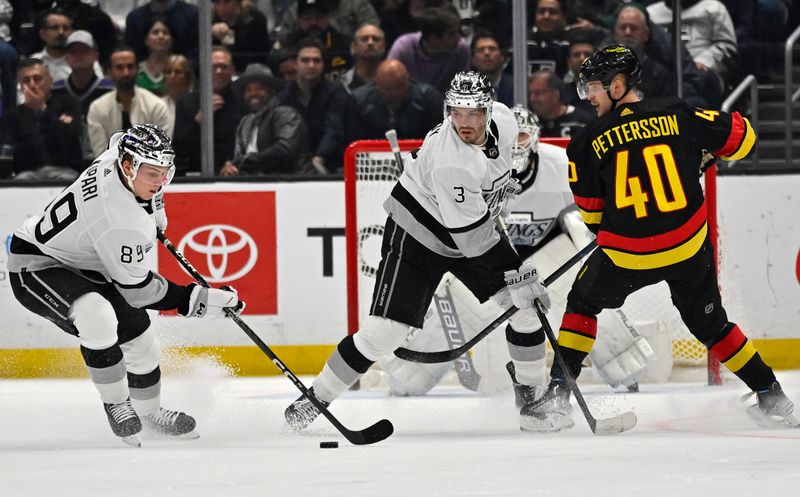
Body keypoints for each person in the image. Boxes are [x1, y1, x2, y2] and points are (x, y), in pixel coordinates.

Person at [526, 45, 798, 429]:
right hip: (688, 249)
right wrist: (702, 153)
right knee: (711, 325)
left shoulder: (587, 141)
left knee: (582, 303)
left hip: (627, 256)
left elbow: (592, 217)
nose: (588, 96)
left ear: (618, 85)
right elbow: (746, 139)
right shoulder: (677, 112)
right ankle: (771, 394)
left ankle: (557, 395)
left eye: (594, 87)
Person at [284, 71, 555, 432]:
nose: (463, 122)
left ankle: (532, 402)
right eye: (455, 112)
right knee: (383, 334)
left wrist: (499, 197)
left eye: (472, 112)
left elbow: (491, 189)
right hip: (419, 235)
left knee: (527, 311)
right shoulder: (451, 160)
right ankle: (312, 400)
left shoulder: (505, 119)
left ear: (489, 111)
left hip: (469, 228)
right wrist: (516, 270)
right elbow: (472, 242)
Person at [379, 105, 654, 404]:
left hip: (548, 261)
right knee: (409, 376)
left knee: (585, 288)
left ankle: (625, 365)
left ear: (534, 138)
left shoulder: (560, 164)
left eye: (521, 135)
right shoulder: (468, 165)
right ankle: (408, 372)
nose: (515, 144)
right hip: (488, 268)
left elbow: (597, 202)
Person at [6, 124, 243, 446]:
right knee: (97, 316)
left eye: (165, 173)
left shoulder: (117, 154)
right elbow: (141, 292)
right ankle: (117, 404)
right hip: (38, 264)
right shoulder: (118, 221)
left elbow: (120, 137)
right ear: (129, 166)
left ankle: (150, 412)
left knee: (142, 340)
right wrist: (199, 300)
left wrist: (155, 208)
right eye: (152, 174)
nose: (160, 182)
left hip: (90, 264)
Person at [221, 64, 312, 175]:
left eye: (259, 89)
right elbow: (241, 158)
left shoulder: (284, 113)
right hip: (256, 185)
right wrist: (231, 168)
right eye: (248, 90)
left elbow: (285, 149)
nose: (253, 93)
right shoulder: (245, 122)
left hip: (291, 185)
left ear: (272, 92)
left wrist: (244, 162)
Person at [172, 46, 247, 174]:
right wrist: (198, 121)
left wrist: (234, 164)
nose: (218, 71)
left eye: (223, 67)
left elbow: (248, 143)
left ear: (232, 70)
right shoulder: (188, 102)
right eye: (213, 67)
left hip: (235, 172)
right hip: (195, 173)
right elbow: (178, 148)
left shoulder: (243, 101)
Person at [278, 38, 349, 173]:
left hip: (331, 166)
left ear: (323, 64)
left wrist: (318, 160)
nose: (311, 65)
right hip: (293, 169)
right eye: (305, 60)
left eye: (317, 60)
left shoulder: (336, 92)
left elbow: (333, 130)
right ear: (295, 64)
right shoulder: (283, 98)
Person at [87, 47, 172, 156]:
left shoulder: (156, 106)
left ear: (137, 69)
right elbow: (101, 156)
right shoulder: (97, 108)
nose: (125, 73)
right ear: (109, 72)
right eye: (119, 68)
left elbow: (161, 152)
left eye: (130, 67)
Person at [10, 58, 83, 180]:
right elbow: (17, 154)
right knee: (21, 180)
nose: (32, 84)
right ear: (21, 85)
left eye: (37, 79)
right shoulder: (14, 114)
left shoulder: (68, 103)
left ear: (50, 81)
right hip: (28, 173)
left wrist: (43, 110)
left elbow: (69, 140)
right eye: (26, 80)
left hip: (65, 169)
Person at [52, 30, 114, 165]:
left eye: (84, 51)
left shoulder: (110, 89)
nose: (78, 55)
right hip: (65, 161)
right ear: (66, 57)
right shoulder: (55, 90)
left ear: (95, 55)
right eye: (73, 52)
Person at [350, 59, 443, 140]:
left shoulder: (428, 98)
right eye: (388, 88)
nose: (395, 93)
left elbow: (440, 138)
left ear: (408, 79)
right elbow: (351, 142)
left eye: (400, 86)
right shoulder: (359, 101)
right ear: (377, 83)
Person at [386, 6, 470, 95]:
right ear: (432, 38)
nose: (458, 38)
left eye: (458, 32)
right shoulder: (404, 47)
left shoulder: (461, 49)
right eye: (451, 34)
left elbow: (462, 89)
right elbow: (387, 79)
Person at [528, 70, 593, 138]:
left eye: (538, 93)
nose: (532, 99)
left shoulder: (583, 123)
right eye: (530, 94)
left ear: (555, 94)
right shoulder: (528, 125)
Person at [470, 31, 512, 108]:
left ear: (502, 56)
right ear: (473, 59)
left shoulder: (515, 88)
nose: (487, 53)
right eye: (480, 50)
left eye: (492, 49)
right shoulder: (463, 90)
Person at [341, 23, 386, 94]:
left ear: (383, 47)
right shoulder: (342, 85)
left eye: (376, 39)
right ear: (354, 47)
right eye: (364, 39)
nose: (370, 43)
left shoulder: (394, 78)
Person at [136, 17, 174, 96]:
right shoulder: (136, 71)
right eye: (155, 32)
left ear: (172, 40)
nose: (160, 36)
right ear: (146, 40)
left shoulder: (179, 70)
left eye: (165, 33)